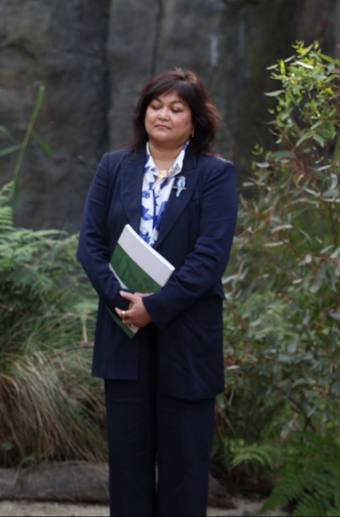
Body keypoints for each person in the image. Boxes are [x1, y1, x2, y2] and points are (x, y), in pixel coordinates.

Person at [76, 69, 238, 516]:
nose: (163, 114)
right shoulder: (114, 166)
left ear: (195, 119)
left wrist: (156, 307)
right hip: (123, 328)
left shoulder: (214, 175)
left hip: (187, 336)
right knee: (127, 464)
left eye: (176, 107)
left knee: (185, 465)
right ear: (142, 111)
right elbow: (89, 245)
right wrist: (124, 301)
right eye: (155, 105)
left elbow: (210, 257)